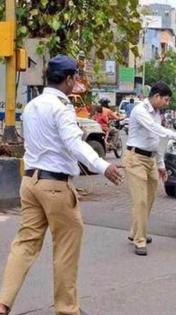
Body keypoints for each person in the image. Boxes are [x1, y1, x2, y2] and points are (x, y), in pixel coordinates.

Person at [0, 55, 123, 315]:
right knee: (66, 247)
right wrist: (103, 166)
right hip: (55, 186)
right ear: (68, 79)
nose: (76, 82)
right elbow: (74, 143)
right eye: (75, 78)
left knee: (25, 244)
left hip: (30, 182)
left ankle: (3, 303)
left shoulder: (33, 105)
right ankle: (67, 310)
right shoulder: (61, 105)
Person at [123, 82, 176, 256]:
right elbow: (154, 129)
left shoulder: (158, 114)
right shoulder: (140, 111)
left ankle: (135, 231)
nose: (167, 103)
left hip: (150, 159)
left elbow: (158, 140)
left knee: (150, 198)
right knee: (141, 201)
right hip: (135, 158)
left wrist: (161, 165)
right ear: (157, 96)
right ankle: (140, 240)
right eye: (166, 100)